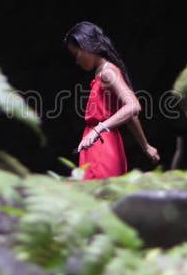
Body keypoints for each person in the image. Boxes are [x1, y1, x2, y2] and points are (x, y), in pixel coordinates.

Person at [64, 21, 160, 180]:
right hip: (99, 143)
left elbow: (133, 106)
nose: (76, 61)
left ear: (86, 46)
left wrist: (97, 130)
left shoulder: (108, 72)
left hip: (102, 147)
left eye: (76, 54)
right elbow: (128, 115)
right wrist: (145, 146)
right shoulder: (102, 72)